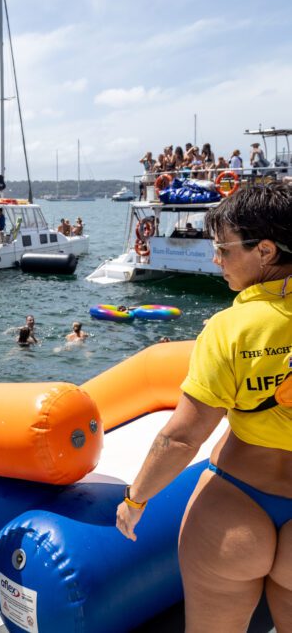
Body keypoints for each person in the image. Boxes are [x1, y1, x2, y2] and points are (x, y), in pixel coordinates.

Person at [116, 182, 292, 632]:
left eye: (223, 248)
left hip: (236, 505)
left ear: (266, 251)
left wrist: (135, 499)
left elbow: (181, 437)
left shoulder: (229, 328)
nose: (216, 259)